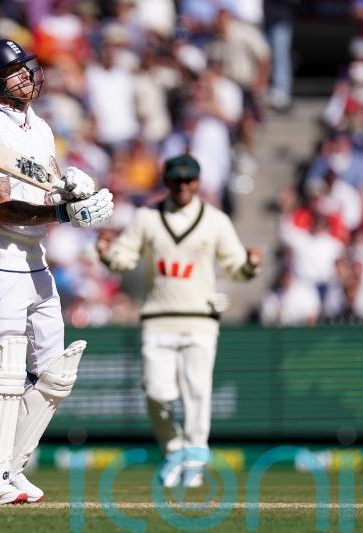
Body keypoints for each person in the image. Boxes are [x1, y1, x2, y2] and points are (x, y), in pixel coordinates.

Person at [0, 38, 114, 505]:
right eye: (17, 71)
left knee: (53, 375)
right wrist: (66, 215)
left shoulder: (40, 129)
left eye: (29, 67)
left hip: (34, 262)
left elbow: (43, 188)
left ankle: (10, 468)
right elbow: (4, 209)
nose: (29, 76)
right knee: (4, 372)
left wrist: (71, 192)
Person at [96, 154, 261, 487]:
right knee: (157, 392)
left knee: (197, 394)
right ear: (166, 182)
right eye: (177, 180)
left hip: (201, 320)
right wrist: (106, 253)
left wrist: (251, 264)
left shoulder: (215, 220)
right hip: (158, 320)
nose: (183, 186)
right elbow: (124, 258)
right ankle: (174, 451)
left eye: (189, 180)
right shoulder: (146, 218)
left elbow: (236, 267)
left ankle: (194, 462)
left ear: (198, 182)